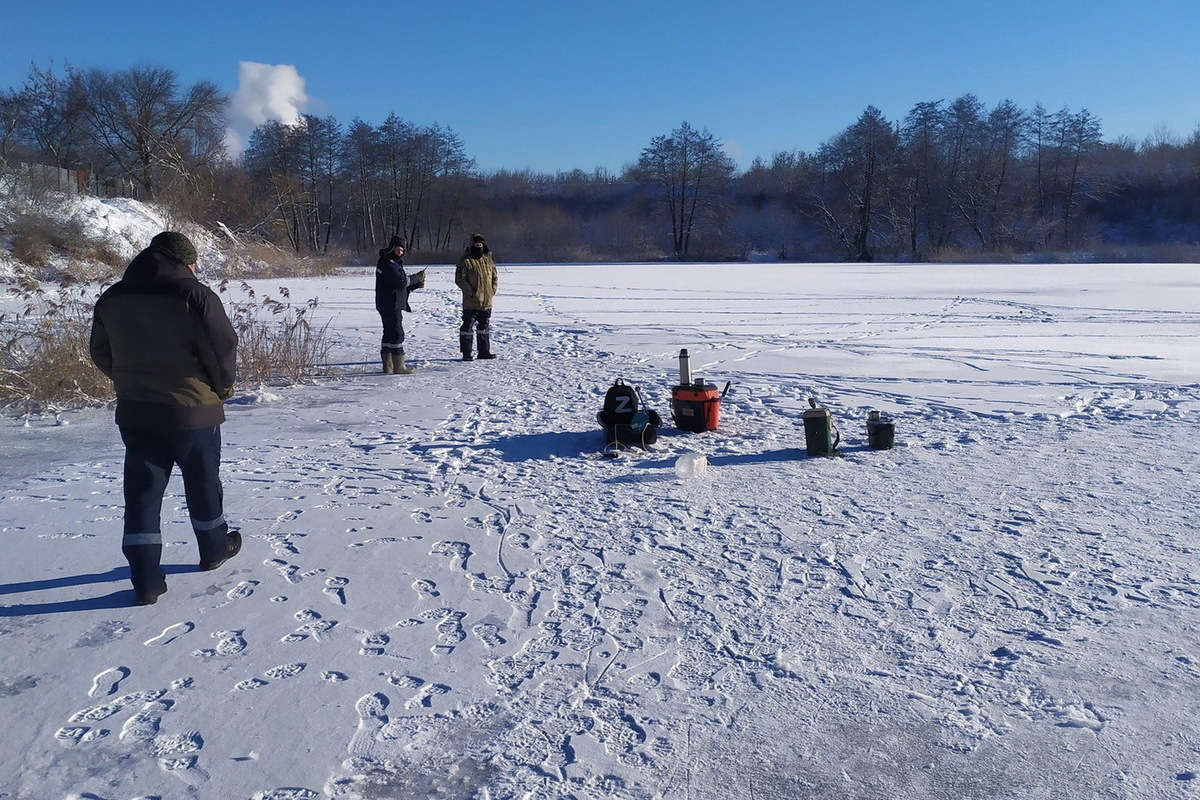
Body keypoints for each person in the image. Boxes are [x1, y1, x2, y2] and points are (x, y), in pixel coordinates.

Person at [89, 231, 241, 606]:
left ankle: (145, 579)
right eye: (193, 263)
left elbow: (100, 352)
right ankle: (214, 549)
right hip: (192, 412)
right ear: (183, 261)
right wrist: (221, 389)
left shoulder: (113, 297)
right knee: (203, 482)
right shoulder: (195, 295)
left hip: (137, 411)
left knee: (142, 494)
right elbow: (222, 348)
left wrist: (129, 382)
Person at [375, 236, 425, 374]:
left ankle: (388, 365)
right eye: (398, 249)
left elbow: (398, 286)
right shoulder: (387, 263)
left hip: (389, 302)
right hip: (390, 304)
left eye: (402, 250)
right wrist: (416, 277)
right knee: (397, 333)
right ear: (392, 248)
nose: (400, 252)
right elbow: (400, 282)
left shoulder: (392, 263)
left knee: (389, 333)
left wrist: (415, 285)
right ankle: (399, 367)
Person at [454, 233, 499, 360]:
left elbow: (495, 277)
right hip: (471, 301)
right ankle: (467, 353)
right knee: (467, 327)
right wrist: (471, 293)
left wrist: (492, 291)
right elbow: (460, 279)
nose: (479, 245)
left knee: (484, 327)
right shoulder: (465, 260)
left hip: (487, 301)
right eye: (476, 243)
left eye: (481, 243)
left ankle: (484, 352)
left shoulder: (488, 260)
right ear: (472, 244)